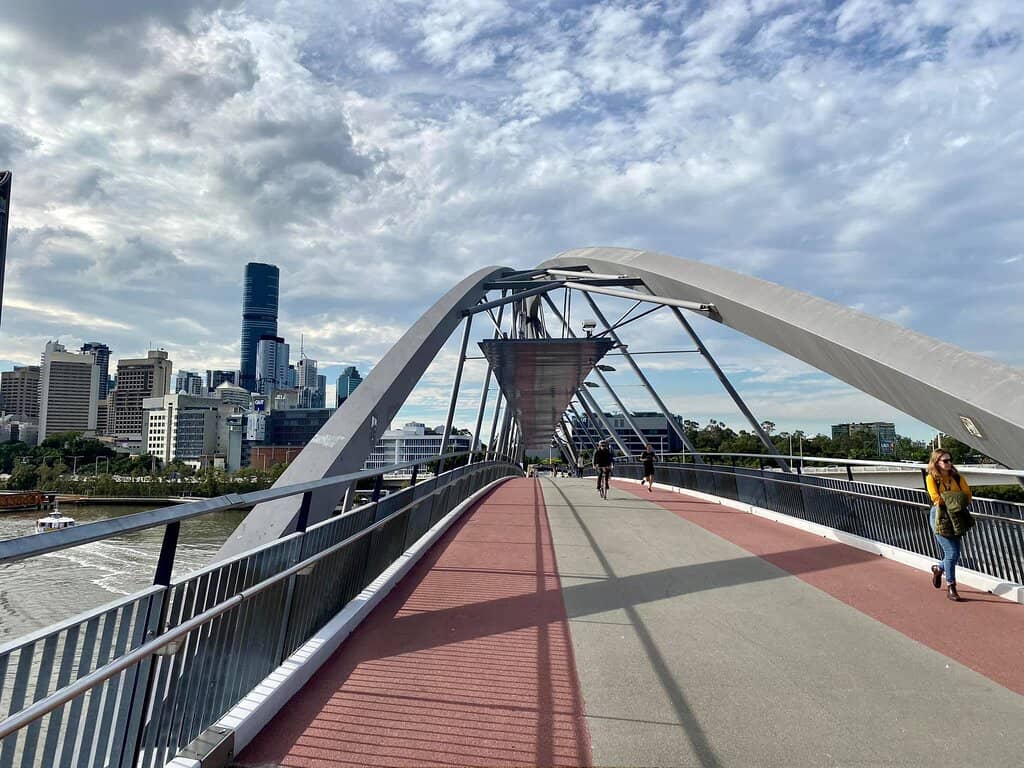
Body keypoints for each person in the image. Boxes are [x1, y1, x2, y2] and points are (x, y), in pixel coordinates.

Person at [925, 449, 974, 602]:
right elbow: (936, 499)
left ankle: (939, 568)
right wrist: (956, 498)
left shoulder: (957, 477)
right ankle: (951, 587)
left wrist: (949, 498)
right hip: (940, 516)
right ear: (936, 462)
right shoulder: (931, 478)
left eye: (950, 460)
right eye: (945, 461)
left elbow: (968, 496)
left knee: (955, 554)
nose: (949, 463)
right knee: (951, 552)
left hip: (957, 517)